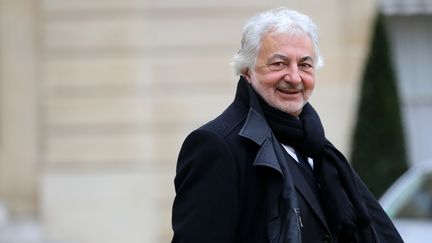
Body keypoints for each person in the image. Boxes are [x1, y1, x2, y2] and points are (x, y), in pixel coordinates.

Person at [171, 7, 403, 243]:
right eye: (279, 64)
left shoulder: (316, 147)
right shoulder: (216, 146)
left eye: (305, 65)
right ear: (247, 71)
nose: (294, 77)